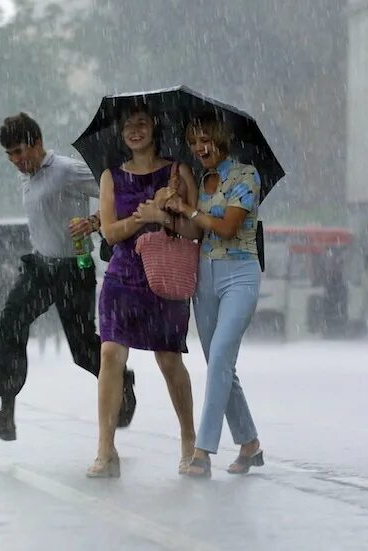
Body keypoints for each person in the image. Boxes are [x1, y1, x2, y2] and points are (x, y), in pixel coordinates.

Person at [0, 112, 135, 442]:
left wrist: (94, 222)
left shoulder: (65, 170)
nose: (18, 161)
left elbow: (118, 192)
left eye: (21, 152)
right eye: (10, 156)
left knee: (82, 350)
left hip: (73, 268)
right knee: (10, 323)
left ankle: (123, 380)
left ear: (37, 143)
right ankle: (6, 413)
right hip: (39, 268)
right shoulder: (27, 177)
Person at [87, 105, 198, 478]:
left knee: (169, 360)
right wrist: (140, 216)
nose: (135, 131)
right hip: (122, 277)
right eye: (128, 126)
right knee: (110, 354)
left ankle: (189, 440)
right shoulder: (111, 177)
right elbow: (109, 232)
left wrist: (164, 216)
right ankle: (105, 448)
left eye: (142, 124)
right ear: (120, 134)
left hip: (163, 276)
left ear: (154, 127)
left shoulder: (177, 172)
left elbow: (195, 231)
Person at [165, 116, 265, 477]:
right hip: (204, 278)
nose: (199, 148)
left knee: (221, 355)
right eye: (193, 142)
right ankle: (249, 443)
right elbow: (193, 230)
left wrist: (191, 210)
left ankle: (203, 450)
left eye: (205, 140)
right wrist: (173, 203)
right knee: (219, 364)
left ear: (221, 140)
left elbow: (226, 228)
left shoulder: (246, 175)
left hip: (240, 274)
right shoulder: (197, 180)